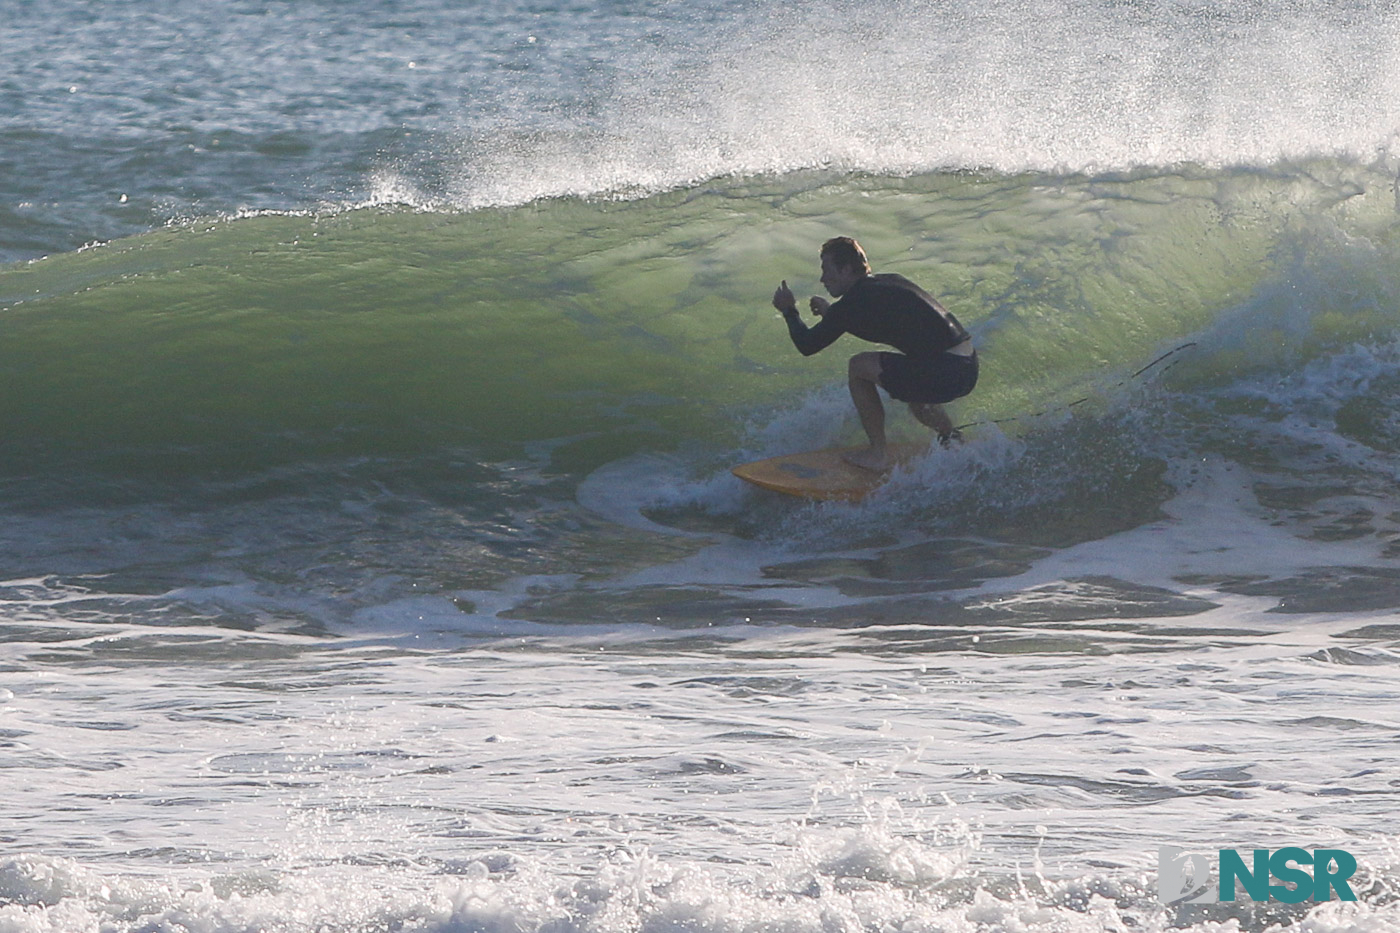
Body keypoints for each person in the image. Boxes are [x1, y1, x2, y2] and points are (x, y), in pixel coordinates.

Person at [772, 236, 977, 471]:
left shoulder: (852, 304)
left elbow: (807, 345)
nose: (822, 279)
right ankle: (950, 438)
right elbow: (879, 322)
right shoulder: (888, 282)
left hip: (946, 371)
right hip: (967, 366)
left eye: (827, 270)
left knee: (858, 367)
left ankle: (877, 454)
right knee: (913, 387)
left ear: (846, 269)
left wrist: (789, 310)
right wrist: (832, 315)